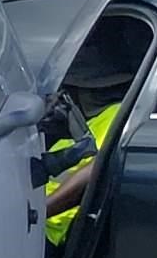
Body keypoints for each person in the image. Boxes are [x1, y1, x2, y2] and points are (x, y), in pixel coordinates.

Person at [43, 99, 120, 245]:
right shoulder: (118, 111)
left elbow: (99, 169)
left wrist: (39, 212)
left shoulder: (128, 125)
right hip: (31, 195)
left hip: (49, 227)